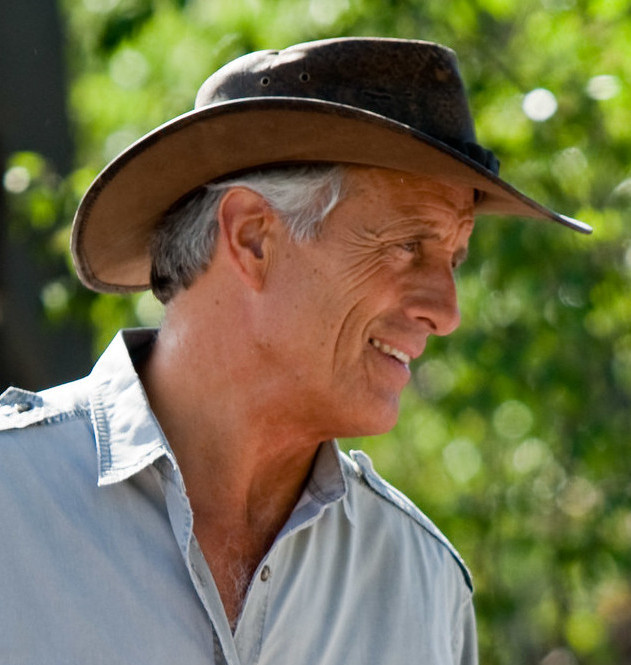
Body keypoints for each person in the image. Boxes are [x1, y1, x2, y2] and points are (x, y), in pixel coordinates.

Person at [0, 37, 591, 664]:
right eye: (408, 246)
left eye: (454, 259)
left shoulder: (424, 584)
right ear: (253, 238)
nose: (447, 313)